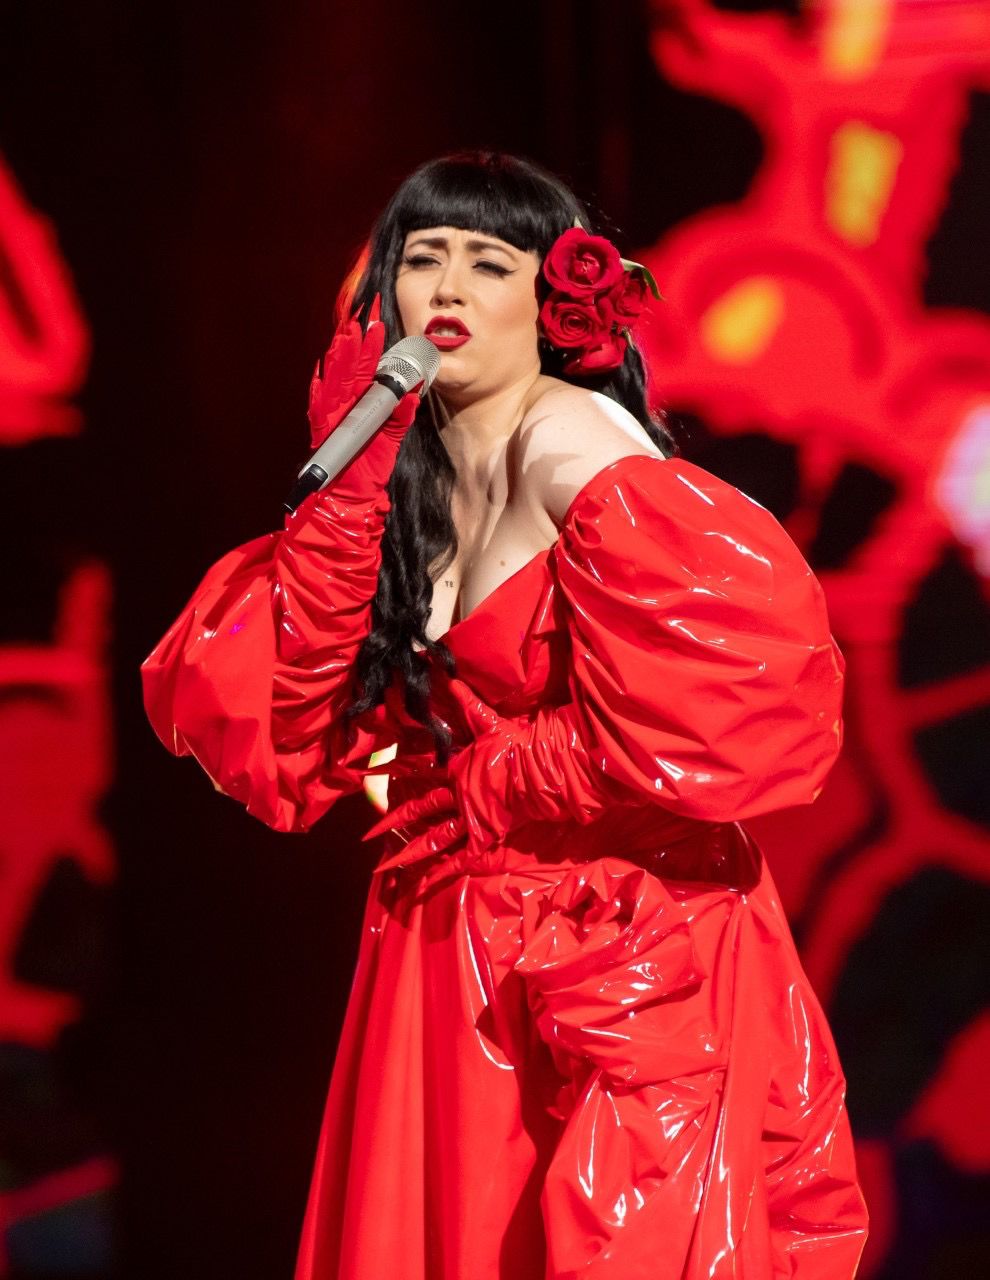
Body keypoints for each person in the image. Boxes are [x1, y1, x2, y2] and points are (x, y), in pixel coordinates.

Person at [142, 150, 869, 1279]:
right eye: (422, 257)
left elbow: (745, 696)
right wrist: (351, 489)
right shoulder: (409, 466)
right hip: (452, 945)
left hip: (623, 955)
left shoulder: (573, 443)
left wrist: (499, 778)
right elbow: (281, 725)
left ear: (554, 303)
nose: (446, 288)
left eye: (489, 262)